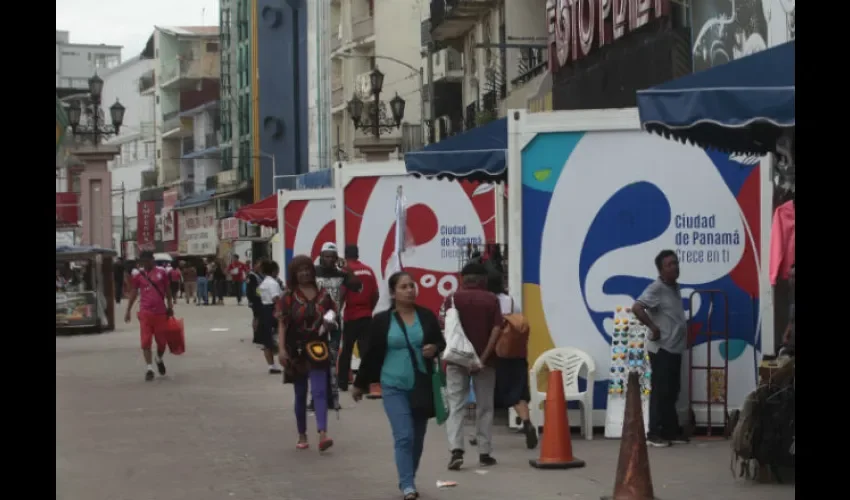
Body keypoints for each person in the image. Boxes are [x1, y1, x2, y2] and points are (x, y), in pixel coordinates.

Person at [353, 271, 445, 500]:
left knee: (418, 437)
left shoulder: (426, 316)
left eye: (411, 286)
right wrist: (360, 384)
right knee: (404, 435)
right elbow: (372, 353)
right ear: (393, 293)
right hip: (393, 384)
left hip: (421, 383)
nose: (410, 290)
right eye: (404, 287)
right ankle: (407, 485)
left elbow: (440, 341)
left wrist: (434, 348)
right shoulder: (382, 320)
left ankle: (408, 477)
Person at [441, 262, 504, 470]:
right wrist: (483, 358)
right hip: (485, 363)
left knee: (456, 405)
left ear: (462, 278)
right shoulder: (491, 299)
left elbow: (444, 326)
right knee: (484, 407)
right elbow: (497, 329)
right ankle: (484, 453)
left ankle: (456, 450)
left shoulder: (451, 299)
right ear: (483, 279)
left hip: (456, 360)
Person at [278, 255, 338, 451]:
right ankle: (302, 434)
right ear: (294, 274)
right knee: (300, 393)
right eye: (299, 270)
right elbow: (282, 323)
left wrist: (330, 322)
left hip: (318, 348)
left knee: (320, 391)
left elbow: (333, 314)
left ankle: (323, 433)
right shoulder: (288, 296)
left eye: (307, 269)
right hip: (295, 349)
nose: (304, 273)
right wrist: (281, 349)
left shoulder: (324, 295)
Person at [632, 249, 689, 447]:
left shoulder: (674, 287)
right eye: (669, 265)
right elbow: (637, 307)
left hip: (675, 348)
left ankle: (670, 431)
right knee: (660, 391)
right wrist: (653, 327)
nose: (674, 267)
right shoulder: (656, 288)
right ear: (661, 269)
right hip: (662, 348)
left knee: (672, 392)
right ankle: (654, 433)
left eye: (675, 263)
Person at [488, 275, 538, 449]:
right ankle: (527, 422)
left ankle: (481, 433)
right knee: (518, 392)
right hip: (516, 352)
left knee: (487, 395)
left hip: (497, 352)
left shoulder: (488, 301)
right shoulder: (509, 301)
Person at [312, 242, 362, 410]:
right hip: (314, 322)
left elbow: (358, 286)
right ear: (321, 256)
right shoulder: (313, 273)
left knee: (331, 361)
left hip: (334, 321)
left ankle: (333, 399)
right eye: (326, 256)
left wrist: (347, 268)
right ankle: (316, 399)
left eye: (332, 257)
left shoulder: (342, 275)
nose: (329, 260)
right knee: (315, 361)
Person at [123, 250, 174, 382]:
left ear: (152, 260)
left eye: (147, 261)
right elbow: (134, 293)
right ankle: (149, 368)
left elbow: (168, 291)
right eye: (142, 262)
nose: (145, 264)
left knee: (162, 343)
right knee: (145, 341)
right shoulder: (138, 276)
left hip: (161, 313)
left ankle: (159, 359)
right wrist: (128, 310)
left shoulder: (162, 272)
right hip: (145, 313)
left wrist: (170, 306)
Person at [337, 244, 379, 391]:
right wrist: (369, 309)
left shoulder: (346, 271)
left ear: (346, 255)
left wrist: (337, 311)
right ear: (358, 254)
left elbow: (341, 294)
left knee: (346, 351)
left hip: (351, 316)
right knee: (366, 351)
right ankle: (367, 383)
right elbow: (376, 294)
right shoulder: (368, 270)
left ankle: (342, 382)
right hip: (366, 315)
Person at [255, 260, 283, 374]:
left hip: (264, 310)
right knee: (279, 337)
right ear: (274, 271)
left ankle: (271, 365)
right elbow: (276, 298)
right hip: (273, 310)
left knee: (267, 341)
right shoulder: (273, 283)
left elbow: (260, 295)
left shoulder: (263, 283)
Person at [781, 263, 795, 355]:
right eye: (790, 276)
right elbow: (792, 319)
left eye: (794, 277)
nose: (791, 280)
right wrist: (786, 333)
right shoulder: (792, 296)